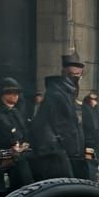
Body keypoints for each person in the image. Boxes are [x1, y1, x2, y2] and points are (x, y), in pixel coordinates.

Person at [30, 52, 88, 180]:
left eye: (79, 75)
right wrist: (70, 149)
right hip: (55, 153)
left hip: (62, 152)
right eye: (75, 75)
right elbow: (63, 126)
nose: (78, 78)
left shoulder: (64, 93)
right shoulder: (57, 94)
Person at [81, 90, 99, 179]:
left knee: (93, 160)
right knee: (90, 160)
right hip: (89, 141)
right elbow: (92, 125)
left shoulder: (94, 110)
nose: (94, 102)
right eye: (92, 99)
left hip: (93, 140)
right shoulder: (86, 110)